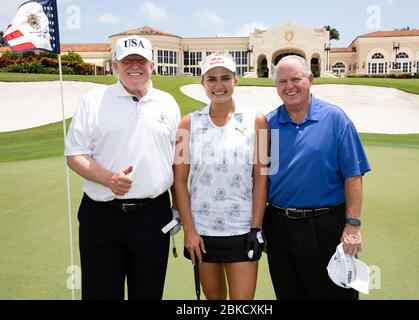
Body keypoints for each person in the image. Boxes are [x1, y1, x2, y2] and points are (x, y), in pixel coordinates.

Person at [64, 35, 181, 300]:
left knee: (148, 294)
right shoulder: (92, 101)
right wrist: (108, 179)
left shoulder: (168, 103)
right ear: (115, 65)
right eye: (127, 61)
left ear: (152, 65)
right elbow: (75, 154)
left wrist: (178, 207)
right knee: (100, 294)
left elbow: (178, 161)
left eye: (141, 60)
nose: (134, 66)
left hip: (153, 216)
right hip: (102, 216)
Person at [264, 55, 371, 300]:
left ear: (310, 79)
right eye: (282, 81)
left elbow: (353, 175)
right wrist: (260, 228)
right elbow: (260, 179)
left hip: (326, 226)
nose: (289, 86)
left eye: (295, 79)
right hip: (279, 227)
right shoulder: (267, 125)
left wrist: (353, 225)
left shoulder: (335, 119)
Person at [173, 52, 269, 300]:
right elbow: (179, 181)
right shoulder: (187, 124)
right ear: (202, 83)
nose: (219, 85)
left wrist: (256, 229)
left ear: (235, 80)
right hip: (202, 232)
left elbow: (262, 178)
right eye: (211, 79)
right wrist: (190, 232)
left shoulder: (259, 120)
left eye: (225, 78)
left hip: (243, 229)